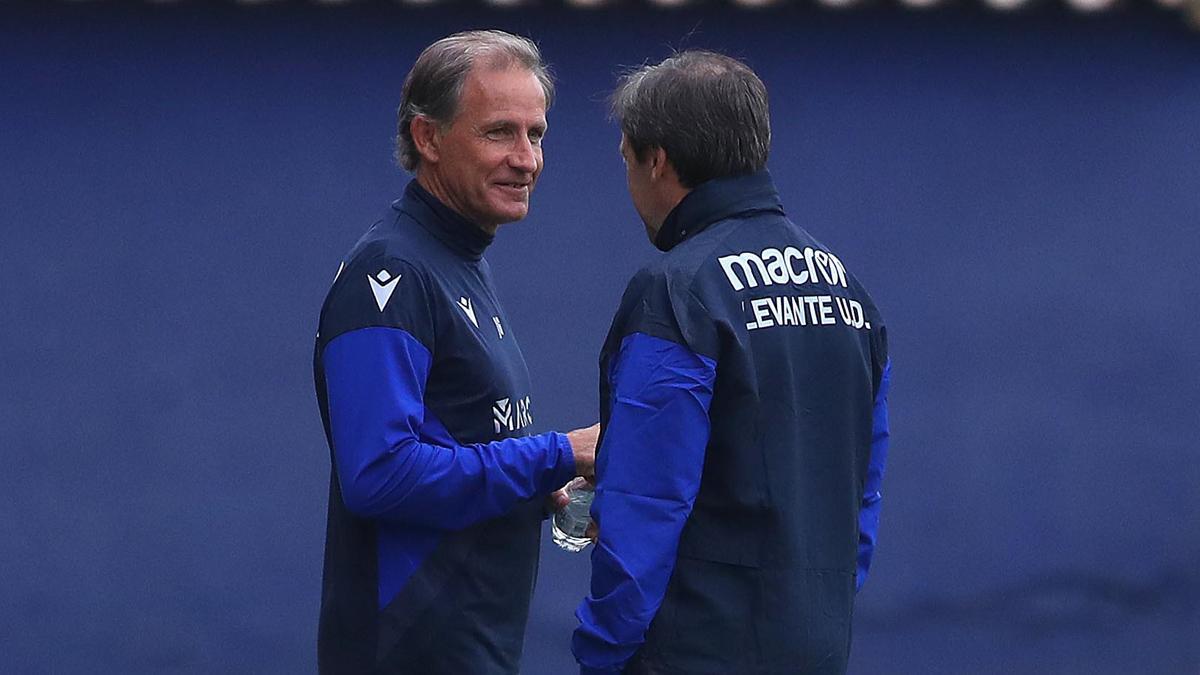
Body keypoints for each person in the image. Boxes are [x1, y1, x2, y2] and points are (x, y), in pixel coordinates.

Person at [572, 50, 892, 674]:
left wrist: (601, 651)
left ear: (656, 159)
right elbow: (862, 485)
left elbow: (646, 498)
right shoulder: (849, 291)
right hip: (816, 645)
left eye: (627, 159)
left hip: (694, 650)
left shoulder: (678, 290)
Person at [312, 30, 598, 674]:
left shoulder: (457, 260)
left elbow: (460, 445)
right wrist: (559, 452)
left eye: (537, 134)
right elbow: (380, 477)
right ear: (428, 138)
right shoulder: (390, 273)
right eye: (500, 132)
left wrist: (542, 481)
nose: (526, 159)